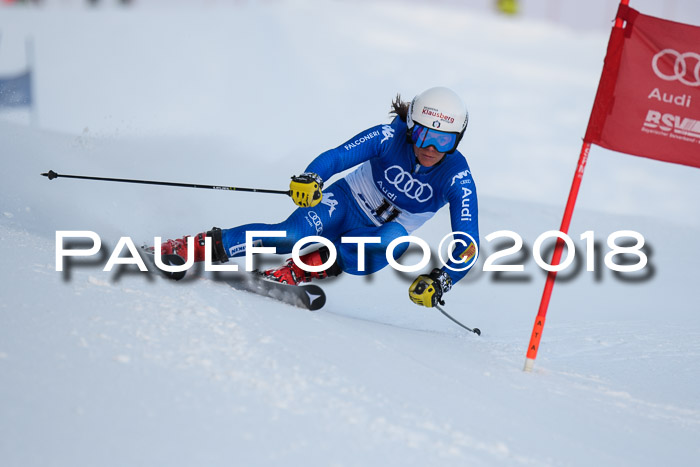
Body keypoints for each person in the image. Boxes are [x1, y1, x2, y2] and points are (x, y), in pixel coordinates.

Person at [159, 86, 480, 308]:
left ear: (458, 140)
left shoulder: (457, 176)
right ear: (411, 127)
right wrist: (312, 177)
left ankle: (296, 271)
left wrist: (442, 280)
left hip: (375, 234)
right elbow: (340, 156)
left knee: (394, 241)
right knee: (289, 236)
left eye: (444, 141)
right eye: (425, 135)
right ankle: (192, 247)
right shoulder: (389, 135)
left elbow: (467, 244)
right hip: (345, 201)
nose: (431, 148)